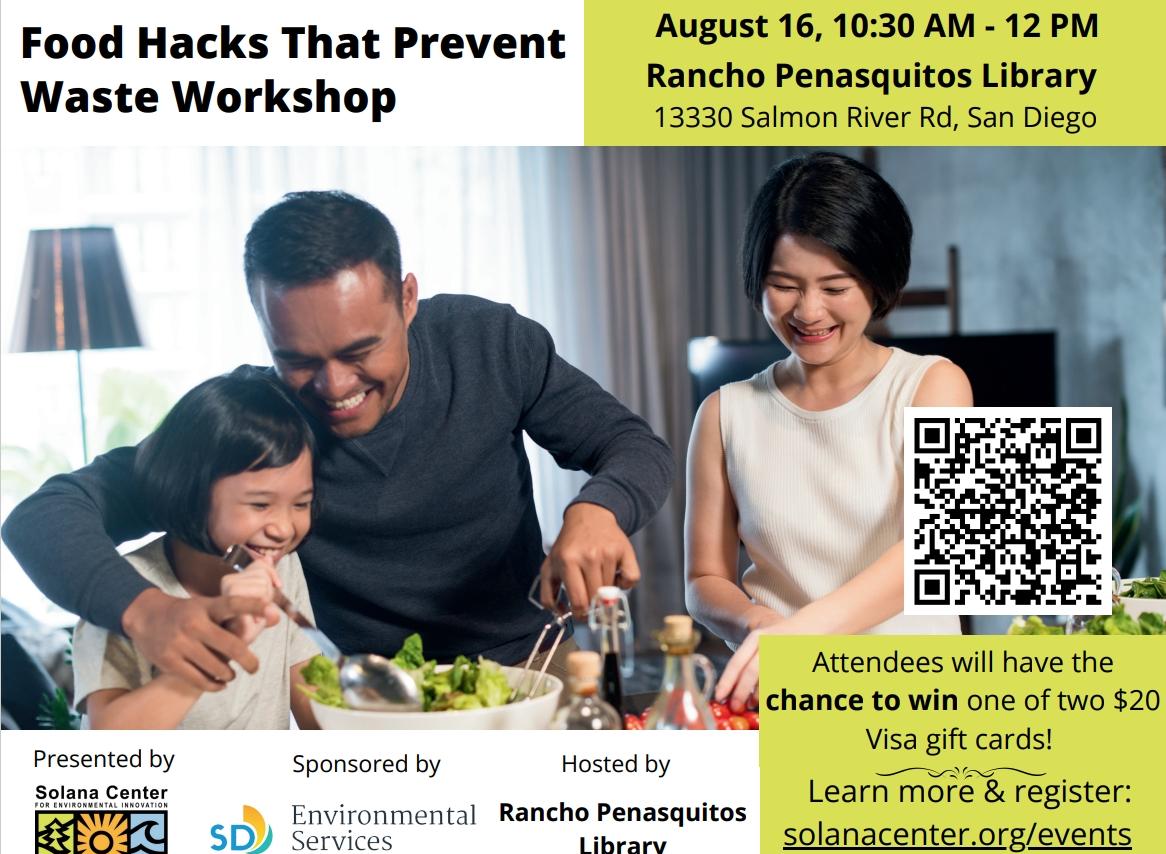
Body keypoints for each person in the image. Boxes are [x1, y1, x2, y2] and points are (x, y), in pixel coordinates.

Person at [3, 191, 674, 694]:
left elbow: (631, 444)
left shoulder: (490, 343)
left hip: (525, 667)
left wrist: (600, 508)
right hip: (353, 694)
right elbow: (42, 516)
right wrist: (145, 612)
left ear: (407, 299)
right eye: (298, 359)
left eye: (360, 351)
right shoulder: (256, 425)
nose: (334, 386)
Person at [684, 153, 973, 711]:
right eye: (784, 285)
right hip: (783, 695)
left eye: (835, 287)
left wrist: (799, 634)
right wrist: (757, 623)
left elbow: (935, 552)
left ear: (878, 279)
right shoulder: (724, 412)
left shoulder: (933, 384)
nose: (809, 311)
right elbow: (704, 579)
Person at [72, 375, 320, 729]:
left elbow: (310, 694)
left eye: (301, 503)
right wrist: (226, 643)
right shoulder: (121, 593)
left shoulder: (281, 564)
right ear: (192, 492)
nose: (283, 528)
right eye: (260, 504)